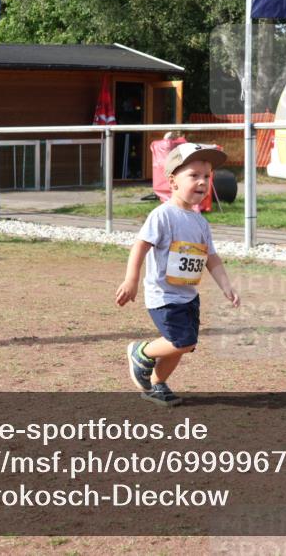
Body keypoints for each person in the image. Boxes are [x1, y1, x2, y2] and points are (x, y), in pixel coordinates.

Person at [115, 143, 240, 406]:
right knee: (182, 340)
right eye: (193, 175)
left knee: (185, 344)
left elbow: (211, 258)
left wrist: (226, 286)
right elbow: (140, 246)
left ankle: (157, 384)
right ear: (172, 182)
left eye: (206, 176)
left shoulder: (200, 222)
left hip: (188, 296)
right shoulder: (162, 216)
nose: (202, 182)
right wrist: (131, 279)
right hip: (164, 296)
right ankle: (142, 352)